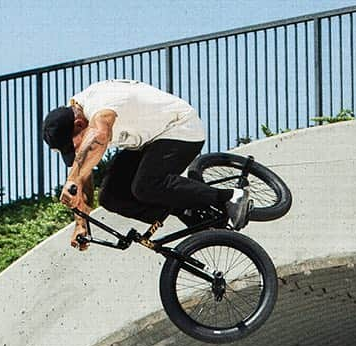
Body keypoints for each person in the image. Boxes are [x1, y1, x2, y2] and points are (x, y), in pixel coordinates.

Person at [41, 79, 250, 249]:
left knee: (145, 185)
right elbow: (83, 174)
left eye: (75, 147)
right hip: (148, 142)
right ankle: (186, 209)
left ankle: (230, 197)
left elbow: (100, 136)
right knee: (110, 197)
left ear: (79, 124)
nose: (78, 152)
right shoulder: (79, 120)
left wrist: (72, 178)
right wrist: (81, 224)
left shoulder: (99, 103)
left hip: (180, 128)